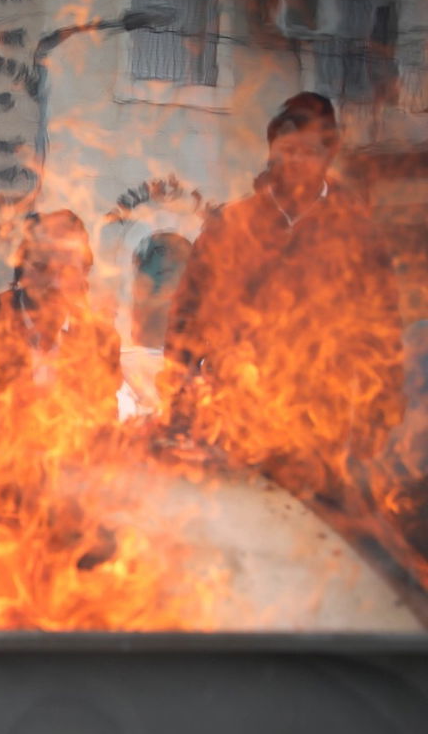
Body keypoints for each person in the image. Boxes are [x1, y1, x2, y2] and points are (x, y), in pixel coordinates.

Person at [163, 92, 402, 464]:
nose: (295, 162)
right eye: (286, 149)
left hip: (319, 424)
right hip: (233, 416)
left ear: (329, 154)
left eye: (308, 152)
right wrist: (183, 401)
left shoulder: (357, 235)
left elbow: (381, 333)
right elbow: (186, 318)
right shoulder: (230, 225)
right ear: (271, 150)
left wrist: (377, 421)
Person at [0, 209, 122, 412]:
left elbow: (105, 428)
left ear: (84, 274)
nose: (55, 283)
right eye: (42, 268)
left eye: (67, 270)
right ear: (21, 270)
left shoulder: (101, 339)